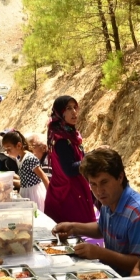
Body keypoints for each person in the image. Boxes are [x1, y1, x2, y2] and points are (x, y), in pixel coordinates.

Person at [53, 148, 140, 276]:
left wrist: (100, 253)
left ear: (120, 177)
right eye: (93, 184)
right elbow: (103, 228)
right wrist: (73, 228)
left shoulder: (139, 212)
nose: (99, 191)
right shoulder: (108, 202)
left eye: (104, 182)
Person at [44, 95, 96, 224]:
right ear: (60, 113)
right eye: (68, 108)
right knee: (75, 234)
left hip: (71, 191)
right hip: (68, 195)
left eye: (74, 107)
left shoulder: (70, 135)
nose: (74, 112)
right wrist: (92, 157)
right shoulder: (62, 140)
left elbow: (78, 159)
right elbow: (70, 169)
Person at [2, 131, 48, 211]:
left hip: (34, 194)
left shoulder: (29, 159)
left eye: (9, 149)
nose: (7, 152)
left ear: (19, 145)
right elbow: (25, 177)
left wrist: (51, 195)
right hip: (26, 192)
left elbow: (43, 177)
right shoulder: (19, 158)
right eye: (5, 150)